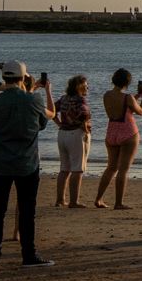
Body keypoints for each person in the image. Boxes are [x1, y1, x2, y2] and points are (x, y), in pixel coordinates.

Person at [0, 62, 54, 268]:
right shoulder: (33, 99)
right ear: (23, 78)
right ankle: (28, 254)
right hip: (27, 161)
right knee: (27, 209)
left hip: (1, 159)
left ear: (4, 78)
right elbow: (41, 124)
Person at [95, 68, 142, 210]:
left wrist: (137, 96)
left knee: (111, 167)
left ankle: (98, 199)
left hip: (112, 131)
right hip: (127, 132)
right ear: (127, 82)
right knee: (123, 169)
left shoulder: (107, 95)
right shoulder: (128, 97)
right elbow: (140, 111)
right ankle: (118, 202)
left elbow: (123, 105)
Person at [51, 75, 92, 208]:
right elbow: (84, 115)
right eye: (85, 85)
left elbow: (52, 111)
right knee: (77, 169)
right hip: (75, 134)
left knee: (64, 168)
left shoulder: (64, 98)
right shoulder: (81, 100)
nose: (87, 87)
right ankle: (74, 201)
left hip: (63, 133)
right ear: (79, 87)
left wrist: (59, 123)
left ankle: (60, 199)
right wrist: (85, 127)